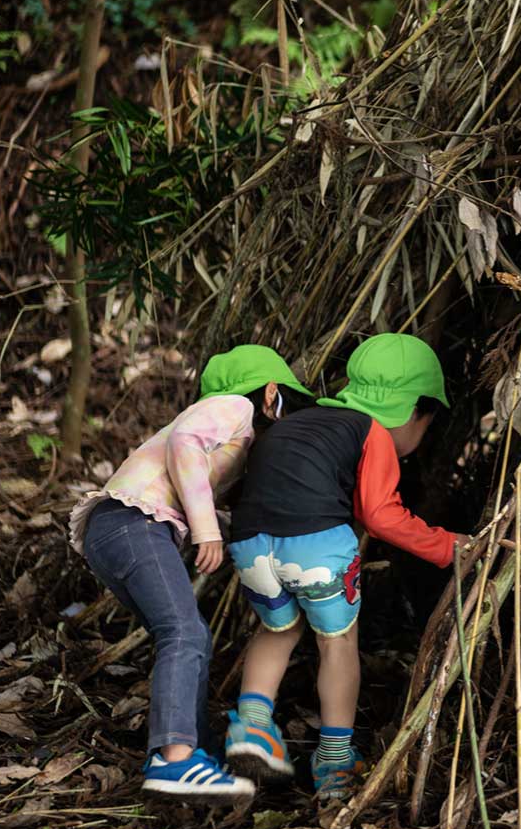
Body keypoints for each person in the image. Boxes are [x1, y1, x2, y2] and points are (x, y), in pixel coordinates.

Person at [222, 332, 470, 801]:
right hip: (315, 547)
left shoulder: (305, 420)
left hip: (249, 541)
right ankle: (335, 759)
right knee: (338, 644)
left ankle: (251, 729)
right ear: (415, 410)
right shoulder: (372, 431)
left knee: (278, 631)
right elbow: (380, 515)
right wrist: (447, 546)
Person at [69, 343, 315, 804]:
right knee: (183, 631)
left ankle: (192, 754)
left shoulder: (235, 442)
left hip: (122, 532)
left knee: (187, 635)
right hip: (132, 523)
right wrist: (205, 532)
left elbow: (206, 494)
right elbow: (185, 443)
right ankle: (175, 759)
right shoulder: (233, 407)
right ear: (270, 393)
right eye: (284, 403)